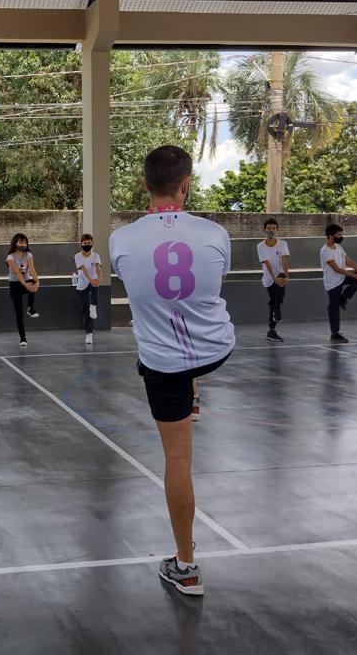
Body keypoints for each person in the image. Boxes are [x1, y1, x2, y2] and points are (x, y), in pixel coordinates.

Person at [110, 144, 234, 597]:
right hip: (217, 348)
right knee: (192, 358)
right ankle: (195, 390)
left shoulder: (120, 239)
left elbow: (145, 288)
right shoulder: (216, 233)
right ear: (186, 185)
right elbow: (212, 283)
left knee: (178, 459)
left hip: (163, 363)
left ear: (145, 185)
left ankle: (186, 565)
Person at [320, 223, 357, 345]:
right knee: (333, 306)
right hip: (332, 282)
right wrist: (356, 275)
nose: (341, 236)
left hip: (342, 277)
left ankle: (344, 297)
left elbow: (349, 261)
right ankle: (335, 333)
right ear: (330, 235)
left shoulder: (339, 247)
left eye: (341, 234)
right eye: (338, 234)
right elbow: (337, 269)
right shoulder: (325, 251)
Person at [257, 219, 290, 343]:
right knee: (273, 300)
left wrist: (286, 275)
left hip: (280, 274)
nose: (271, 230)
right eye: (269, 228)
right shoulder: (260, 246)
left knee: (278, 299)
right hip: (269, 277)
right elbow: (267, 262)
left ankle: (273, 324)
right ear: (265, 229)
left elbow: (284, 259)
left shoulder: (283, 244)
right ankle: (271, 330)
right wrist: (274, 278)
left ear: (277, 230)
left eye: (273, 228)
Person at [7, 233, 40, 348]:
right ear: (15, 243)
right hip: (15, 285)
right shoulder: (10, 257)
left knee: (33, 283)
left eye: (25, 242)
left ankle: (30, 308)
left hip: (25, 282)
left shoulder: (28, 254)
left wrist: (37, 282)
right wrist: (25, 284)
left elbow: (32, 270)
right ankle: (23, 338)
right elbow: (17, 273)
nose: (23, 244)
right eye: (20, 242)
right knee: (19, 312)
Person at [74, 233, 102, 345]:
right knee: (84, 310)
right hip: (82, 283)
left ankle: (93, 305)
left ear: (92, 243)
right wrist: (90, 279)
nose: (87, 245)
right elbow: (84, 269)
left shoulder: (96, 256)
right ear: (81, 244)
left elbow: (97, 267)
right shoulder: (77, 256)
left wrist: (100, 278)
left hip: (93, 281)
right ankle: (88, 333)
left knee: (95, 286)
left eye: (89, 243)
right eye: (85, 243)